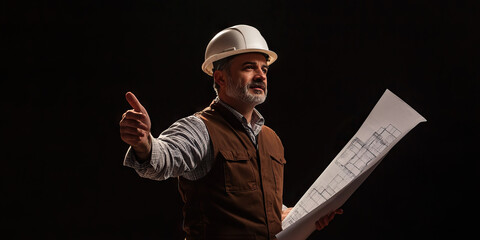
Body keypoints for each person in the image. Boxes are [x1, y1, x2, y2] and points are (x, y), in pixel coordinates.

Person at [119, 24, 342, 240]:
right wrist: (145, 143)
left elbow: (260, 208)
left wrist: (299, 216)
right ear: (220, 78)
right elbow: (165, 156)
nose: (261, 75)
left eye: (264, 69)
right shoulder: (201, 128)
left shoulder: (271, 139)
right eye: (249, 67)